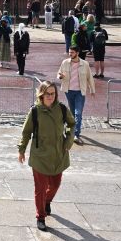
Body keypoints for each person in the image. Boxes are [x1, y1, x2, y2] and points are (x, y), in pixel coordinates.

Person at [17, 81, 75, 231]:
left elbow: (71, 124)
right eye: (47, 94)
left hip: (58, 154)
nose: (50, 97)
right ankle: (40, 216)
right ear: (41, 95)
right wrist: (21, 149)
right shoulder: (35, 111)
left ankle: (47, 201)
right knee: (40, 188)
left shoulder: (62, 109)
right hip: (40, 156)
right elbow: (26, 132)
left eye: (53, 94)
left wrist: (69, 140)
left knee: (55, 185)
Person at [56, 46, 96, 144]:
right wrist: (60, 76)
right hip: (68, 91)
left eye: (72, 52)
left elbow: (90, 77)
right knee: (72, 114)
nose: (70, 54)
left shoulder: (85, 64)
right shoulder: (65, 62)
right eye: (69, 52)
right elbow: (58, 73)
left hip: (80, 92)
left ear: (77, 53)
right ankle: (70, 131)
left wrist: (92, 90)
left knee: (78, 113)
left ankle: (76, 134)